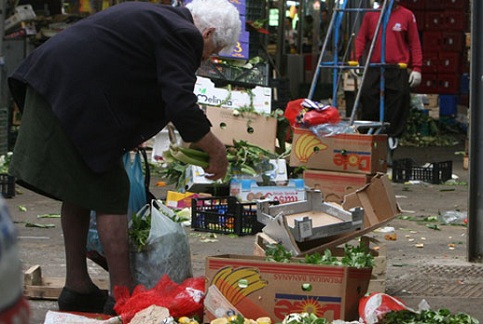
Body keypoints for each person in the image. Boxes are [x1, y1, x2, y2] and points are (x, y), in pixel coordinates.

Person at [7, 0, 240, 315]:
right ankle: (124, 297)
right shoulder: (184, 34)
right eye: (213, 49)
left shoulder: (163, 19)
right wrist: (217, 150)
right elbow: (180, 104)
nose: (206, 57)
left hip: (57, 87)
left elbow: (134, 74)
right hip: (69, 94)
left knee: (81, 189)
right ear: (208, 31)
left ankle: (77, 287)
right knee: (111, 192)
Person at [355, 0, 422, 158]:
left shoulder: (407, 15)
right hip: (374, 66)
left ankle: (391, 137)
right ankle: (370, 135)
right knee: (367, 95)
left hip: (397, 67)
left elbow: (414, 43)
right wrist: (355, 60)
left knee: (400, 97)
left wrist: (417, 68)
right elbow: (360, 39)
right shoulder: (371, 15)